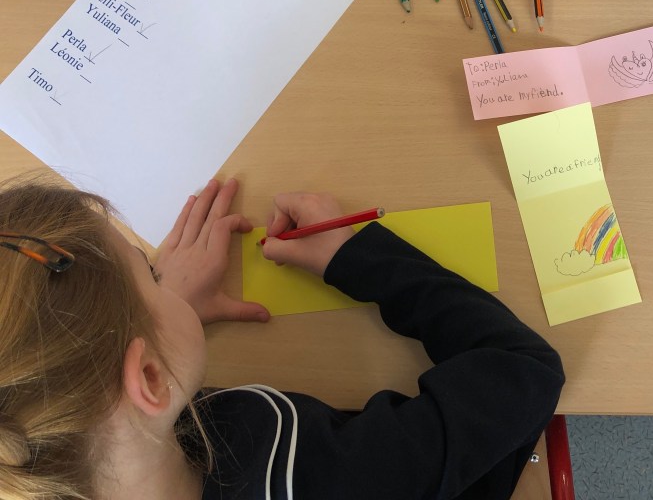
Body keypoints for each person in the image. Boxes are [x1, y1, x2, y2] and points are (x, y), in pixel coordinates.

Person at [0, 177, 565, 500]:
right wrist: (361, 258)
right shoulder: (330, 476)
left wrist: (158, 321)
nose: (160, 276)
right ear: (148, 378)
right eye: (149, 275)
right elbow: (525, 369)